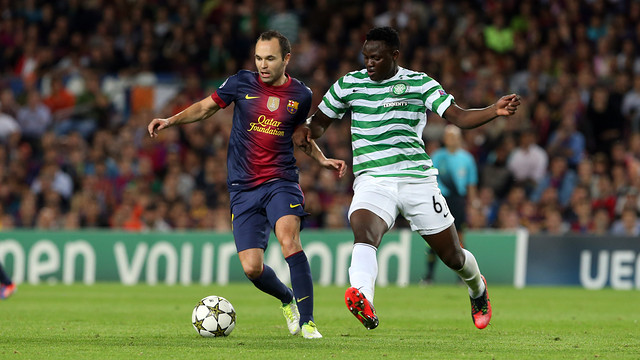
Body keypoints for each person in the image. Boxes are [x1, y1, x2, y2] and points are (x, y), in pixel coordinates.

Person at [295, 27, 520, 330]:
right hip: (373, 179)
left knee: (453, 256)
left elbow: (458, 117)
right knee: (364, 231)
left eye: (376, 57)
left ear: (394, 55)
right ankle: (363, 298)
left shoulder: (418, 82)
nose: (369, 63)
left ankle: (477, 288)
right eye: (366, 57)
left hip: (417, 181)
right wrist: (308, 129)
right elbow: (321, 123)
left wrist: (494, 110)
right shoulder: (349, 84)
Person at [148, 30, 346, 339]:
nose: (263, 65)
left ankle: (307, 321)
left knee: (288, 240)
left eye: (270, 58)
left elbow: (300, 138)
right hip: (242, 188)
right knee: (252, 268)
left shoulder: (301, 95)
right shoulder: (241, 82)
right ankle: (287, 298)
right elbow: (204, 108)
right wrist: (170, 121)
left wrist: (322, 160)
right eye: (258, 58)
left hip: (281, 180)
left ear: (286, 59)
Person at [422, 124, 477, 284]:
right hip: (440, 201)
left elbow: (471, 184)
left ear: (459, 138)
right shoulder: (438, 156)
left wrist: (473, 204)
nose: (451, 139)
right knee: (435, 236)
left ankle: (462, 277)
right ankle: (429, 276)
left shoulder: (467, 159)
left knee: (459, 238)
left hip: (458, 201)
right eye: (448, 136)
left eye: (453, 136)